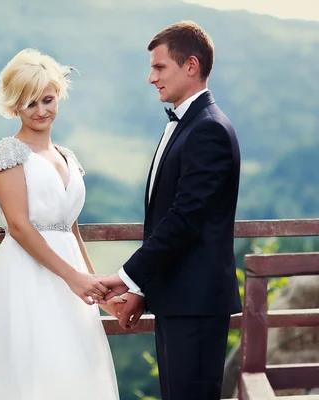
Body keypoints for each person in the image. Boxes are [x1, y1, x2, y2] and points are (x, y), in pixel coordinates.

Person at [0, 48, 120, 400]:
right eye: (30, 103)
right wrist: (73, 277)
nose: (41, 111)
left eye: (47, 100)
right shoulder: (8, 153)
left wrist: (95, 285)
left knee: (76, 370)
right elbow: (19, 228)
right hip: (28, 275)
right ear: (15, 106)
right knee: (36, 369)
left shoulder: (67, 156)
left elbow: (71, 229)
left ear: (58, 97)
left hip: (73, 277)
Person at [99, 21, 243, 400]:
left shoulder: (208, 129)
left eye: (159, 67)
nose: (151, 78)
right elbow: (168, 221)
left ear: (190, 65)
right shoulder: (188, 125)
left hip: (195, 304)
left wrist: (128, 275)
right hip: (179, 299)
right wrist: (143, 288)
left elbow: (185, 220)